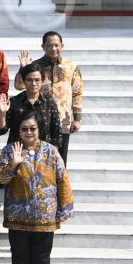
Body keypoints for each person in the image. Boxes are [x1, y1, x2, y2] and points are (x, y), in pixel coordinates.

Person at [0, 109, 74, 264]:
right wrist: (13, 164)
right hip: (18, 216)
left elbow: (62, 180)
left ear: (39, 129)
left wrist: (64, 208)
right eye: (24, 129)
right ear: (18, 130)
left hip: (45, 215)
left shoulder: (51, 151)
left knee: (42, 257)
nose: (29, 132)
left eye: (33, 128)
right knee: (20, 256)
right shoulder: (9, 151)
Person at [15, 31, 83, 164]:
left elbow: (77, 93)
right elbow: (19, 85)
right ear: (43, 47)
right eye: (49, 45)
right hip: (40, 120)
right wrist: (22, 68)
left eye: (56, 45)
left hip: (63, 120)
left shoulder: (71, 67)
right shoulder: (36, 66)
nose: (53, 49)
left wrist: (78, 119)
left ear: (62, 46)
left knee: (60, 161)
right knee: (37, 160)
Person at [0, 64, 63, 155]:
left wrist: (52, 154)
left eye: (37, 80)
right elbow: (1, 130)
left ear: (42, 81)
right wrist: (3, 113)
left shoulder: (49, 102)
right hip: (17, 153)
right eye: (29, 80)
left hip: (43, 153)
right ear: (24, 81)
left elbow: (57, 133)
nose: (34, 83)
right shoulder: (14, 102)